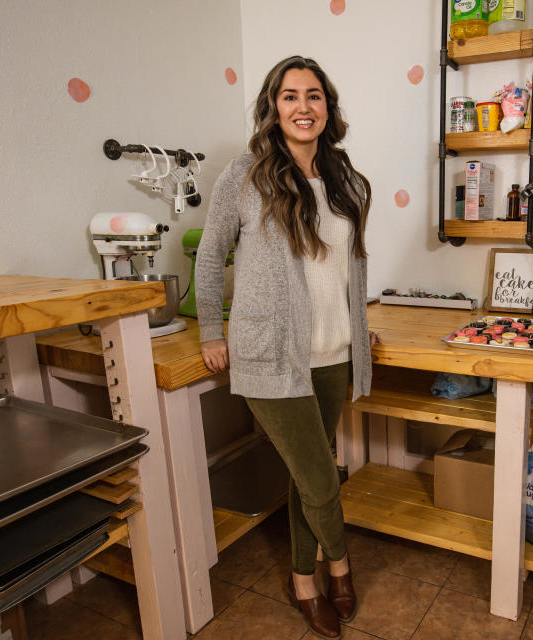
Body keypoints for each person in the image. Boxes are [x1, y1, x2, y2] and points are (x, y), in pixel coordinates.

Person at [195, 55, 376, 640]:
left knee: (307, 474)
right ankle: (340, 567)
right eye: (291, 96)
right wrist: (209, 329)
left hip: (334, 353)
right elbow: (210, 254)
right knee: (322, 479)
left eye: (315, 95)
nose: (304, 107)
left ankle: (304, 579)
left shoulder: (344, 177)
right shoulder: (245, 174)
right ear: (274, 107)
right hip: (271, 354)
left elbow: (349, 266)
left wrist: (358, 322)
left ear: (329, 107)